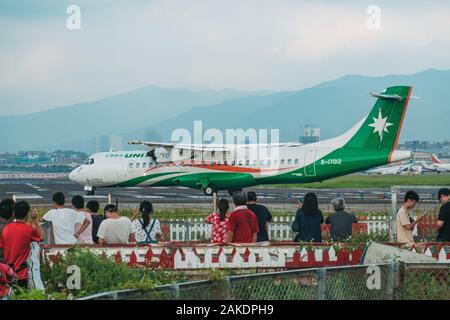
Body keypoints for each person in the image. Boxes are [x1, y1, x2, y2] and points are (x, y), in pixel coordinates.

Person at [0, 201, 43, 288]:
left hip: (8, 272)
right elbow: (42, 237)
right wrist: (35, 220)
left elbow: (2, 246)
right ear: (27, 214)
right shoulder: (29, 230)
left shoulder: (5, 229)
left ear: (13, 213)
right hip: (22, 272)